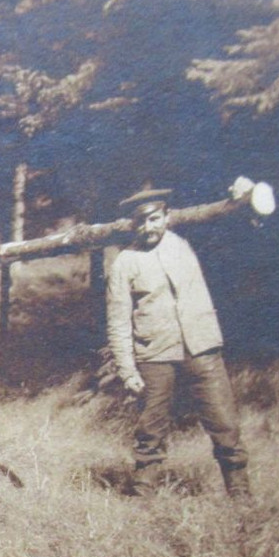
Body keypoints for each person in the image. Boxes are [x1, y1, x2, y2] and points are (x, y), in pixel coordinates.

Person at [106, 187, 251, 498]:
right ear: (133, 225)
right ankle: (143, 495)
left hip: (202, 349)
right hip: (155, 354)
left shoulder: (187, 245)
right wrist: (127, 369)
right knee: (151, 429)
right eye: (141, 222)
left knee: (225, 424)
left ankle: (240, 495)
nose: (149, 227)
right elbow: (118, 321)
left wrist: (241, 198)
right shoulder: (125, 262)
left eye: (155, 219)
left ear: (167, 217)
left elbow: (230, 221)